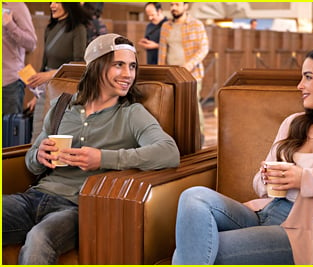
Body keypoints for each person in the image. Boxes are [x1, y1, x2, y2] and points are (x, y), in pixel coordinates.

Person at [172, 44, 313, 265]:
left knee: (195, 248)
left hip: (302, 228)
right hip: (266, 209)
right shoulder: (293, 123)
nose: (300, 86)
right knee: (193, 197)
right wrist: (267, 178)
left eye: (308, 77)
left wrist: (303, 177)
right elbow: (260, 185)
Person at [2, 33, 180, 265]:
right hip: (35, 196)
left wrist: (103, 159)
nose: (128, 74)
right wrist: (38, 154)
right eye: (119, 65)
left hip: (78, 207)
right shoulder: (61, 106)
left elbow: (169, 152)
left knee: (39, 238)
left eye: (132, 67)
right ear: (97, 66)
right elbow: (30, 162)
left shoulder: (132, 113)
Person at [27, 2, 91, 142]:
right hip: (45, 89)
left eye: (57, 2)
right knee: (37, 136)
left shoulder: (78, 29)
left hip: (64, 90)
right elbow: (44, 64)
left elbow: (80, 65)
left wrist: (50, 75)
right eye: (51, 2)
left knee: (57, 136)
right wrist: (36, 96)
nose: (52, 5)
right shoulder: (50, 28)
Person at [158, 2, 209, 141]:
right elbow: (162, 52)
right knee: (171, 106)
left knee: (193, 105)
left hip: (191, 73)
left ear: (186, 6)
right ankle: (176, 138)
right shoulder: (165, 26)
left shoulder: (196, 25)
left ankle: (200, 135)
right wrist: (160, 73)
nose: (173, 7)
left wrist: (189, 65)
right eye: (171, 4)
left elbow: (204, 48)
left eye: (177, 4)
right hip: (171, 74)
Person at [2, 2, 37, 115]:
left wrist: (10, 25)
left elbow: (31, 43)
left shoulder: (17, 6)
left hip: (8, 84)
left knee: (9, 131)